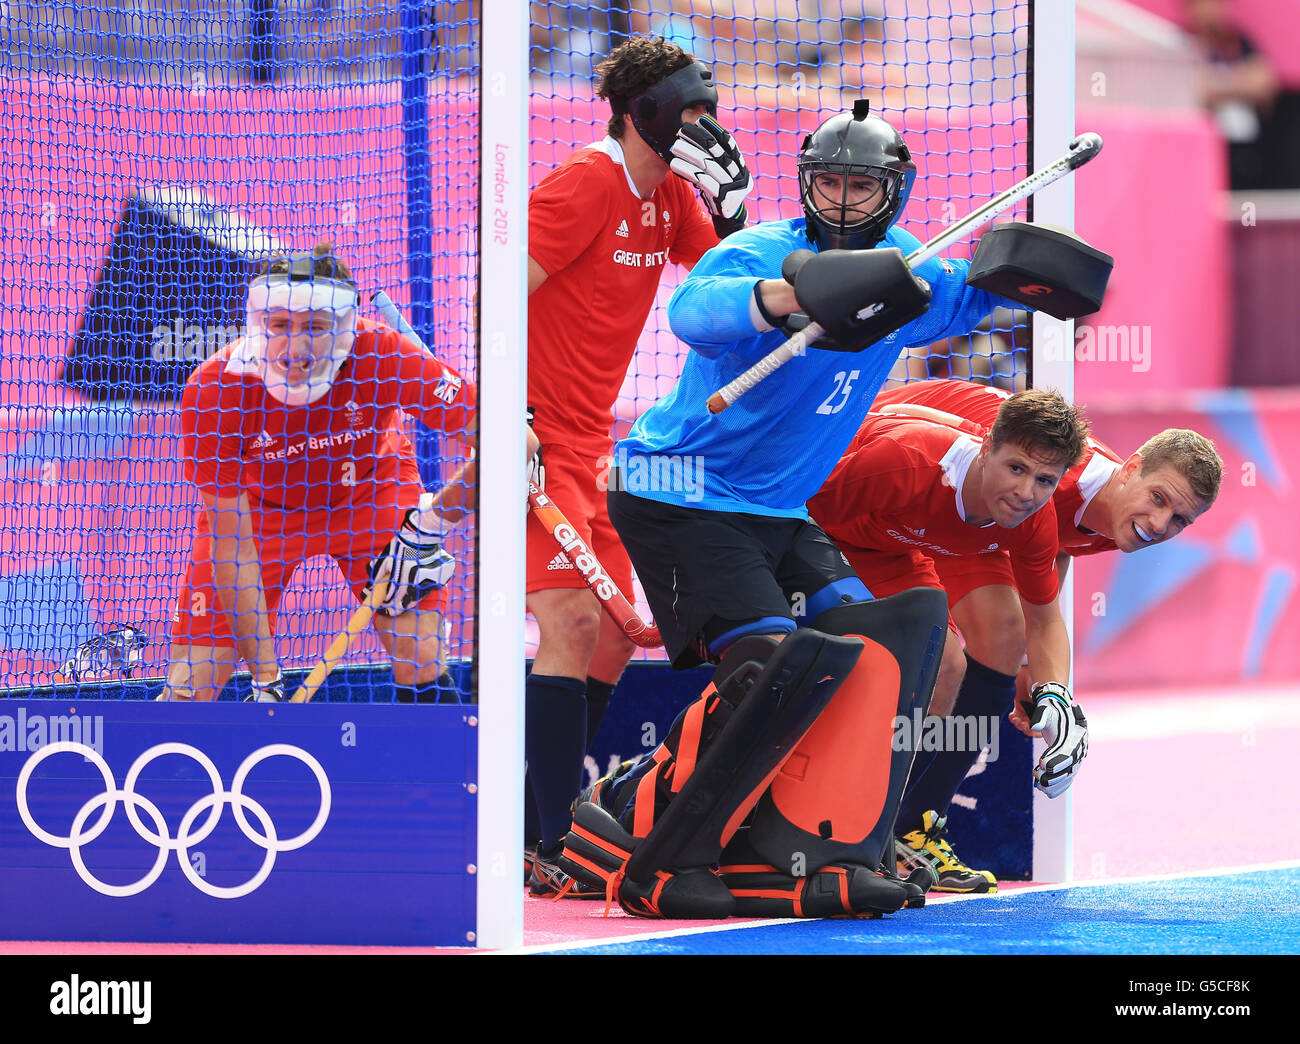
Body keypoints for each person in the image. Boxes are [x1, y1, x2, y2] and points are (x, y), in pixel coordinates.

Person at [553, 101, 1069, 920]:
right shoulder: (762, 249)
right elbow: (695, 311)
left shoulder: (905, 267)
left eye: (859, 186)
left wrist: (1024, 278)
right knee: (771, 660)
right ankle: (646, 838)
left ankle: (824, 848)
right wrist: (786, 293)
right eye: (825, 181)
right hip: (679, 492)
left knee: (898, 649)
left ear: (892, 191)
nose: (839, 199)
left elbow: (955, 304)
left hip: (779, 510)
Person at [524, 34, 754, 897]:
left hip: (597, 444)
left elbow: (730, 279)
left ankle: (533, 819)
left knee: (619, 635)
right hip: (537, 438)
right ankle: (547, 839)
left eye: (710, 111)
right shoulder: (589, 180)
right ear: (642, 113)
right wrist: (508, 416)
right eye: (691, 112)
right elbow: (498, 288)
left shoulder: (672, 197)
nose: (705, 126)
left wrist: (736, 210)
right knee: (573, 627)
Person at [868, 378, 1223, 891]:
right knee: (950, 653)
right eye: (1159, 499)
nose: (1159, 523)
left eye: (1179, 521)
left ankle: (916, 827)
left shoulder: (1120, 516)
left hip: (973, 517)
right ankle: (867, 825)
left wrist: (1045, 681)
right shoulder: (1062, 476)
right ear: (1130, 468)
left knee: (1006, 641)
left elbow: (1051, 557)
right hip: (894, 467)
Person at [162, 241, 476, 704]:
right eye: (280, 326)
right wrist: (266, 680)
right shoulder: (214, 387)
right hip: (260, 511)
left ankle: (440, 775)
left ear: (346, 328)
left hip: (372, 492)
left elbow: (513, 444)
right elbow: (233, 544)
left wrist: (428, 527)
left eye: (316, 327)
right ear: (257, 323)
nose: (295, 346)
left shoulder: (385, 352)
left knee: (420, 655)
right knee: (188, 692)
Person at [808, 390, 1090, 893]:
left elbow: (1044, 620)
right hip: (816, 528)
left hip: (891, 546)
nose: (1027, 492)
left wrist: (1059, 699)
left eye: (1045, 480)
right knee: (835, 652)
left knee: (946, 665)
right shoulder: (910, 461)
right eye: (1017, 468)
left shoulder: (1032, 521)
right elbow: (792, 507)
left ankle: (876, 834)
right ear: (986, 448)